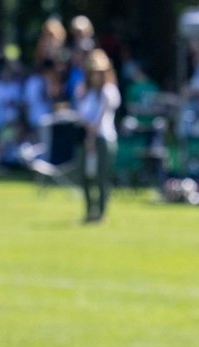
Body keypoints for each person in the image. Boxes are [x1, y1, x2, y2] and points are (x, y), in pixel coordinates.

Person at [75, 51, 119, 224]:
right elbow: (81, 115)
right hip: (85, 137)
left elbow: (99, 119)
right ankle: (88, 212)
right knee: (85, 177)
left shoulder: (109, 91)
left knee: (101, 178)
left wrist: (91, 138)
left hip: (102, 138)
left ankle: (100, 214)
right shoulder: (86, 91)